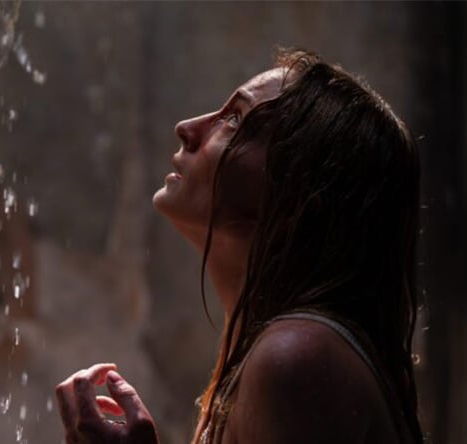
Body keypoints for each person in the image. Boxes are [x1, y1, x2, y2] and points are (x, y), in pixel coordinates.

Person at [55, 49, 424, 444]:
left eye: (235, 120)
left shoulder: (295, 359)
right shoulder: (279, 352)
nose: (187, 128)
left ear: (299, 195)